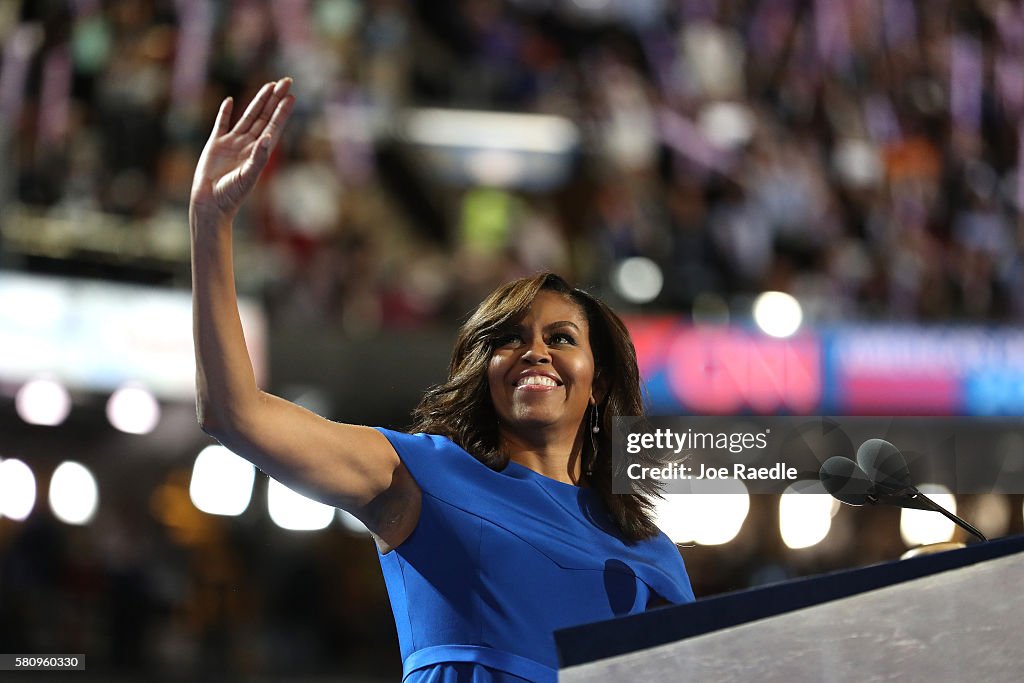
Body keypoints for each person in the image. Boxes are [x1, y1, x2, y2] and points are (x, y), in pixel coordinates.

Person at [190, 77, 694, 683]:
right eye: (509, 339)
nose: (534, 352)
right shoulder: (420, 475)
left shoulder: (651, 555)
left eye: (560, 339)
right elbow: (233, 413)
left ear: (601, 380)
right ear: (485, 373)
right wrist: (209, 223)